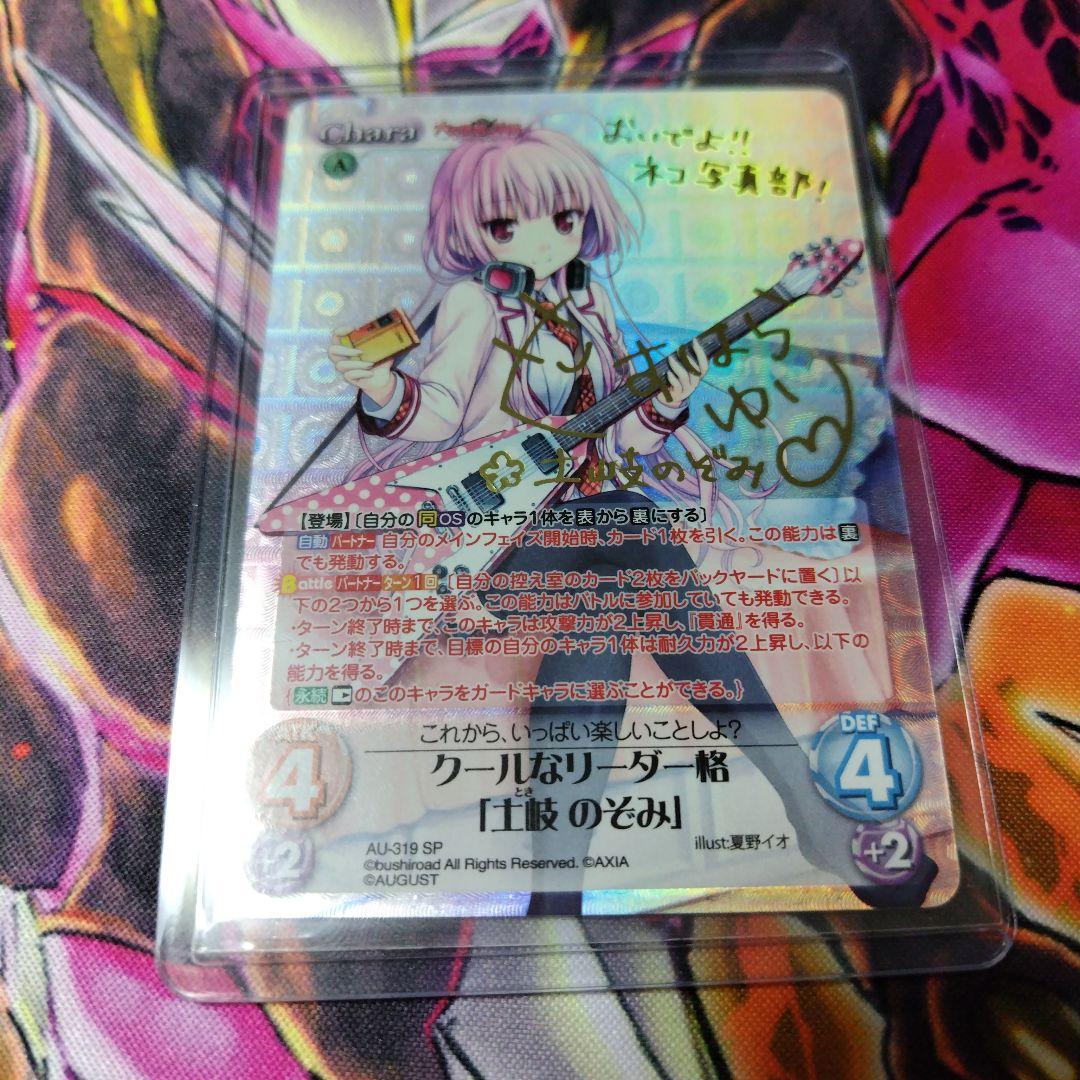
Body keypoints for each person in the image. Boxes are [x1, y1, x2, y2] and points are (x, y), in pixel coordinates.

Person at [329, 125, 935, 912]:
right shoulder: (476, 303)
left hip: (597, 532)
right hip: (504, 541)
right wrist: (380, 388)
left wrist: (666, 404)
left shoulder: (589, 306)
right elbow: (438, 410)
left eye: (563, 219)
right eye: (507, 225)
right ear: (472, 231)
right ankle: (806, 802)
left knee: (607, 604)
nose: (541, 239)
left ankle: (556, 899)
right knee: (632, 535)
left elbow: (619, 441)